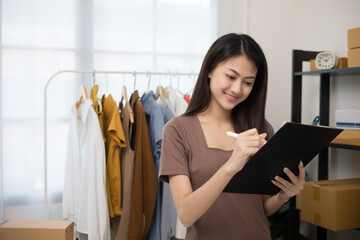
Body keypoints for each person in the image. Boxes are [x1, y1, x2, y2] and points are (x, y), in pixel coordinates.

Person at [159, 33, 305, 239]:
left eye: (248, 82)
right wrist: (231, 164)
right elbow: (186, 214)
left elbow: (259, 208)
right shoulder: (177, 130)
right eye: (231, 76)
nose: (237, 89)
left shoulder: (260, 129)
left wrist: (283, 195)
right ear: (210, 70)